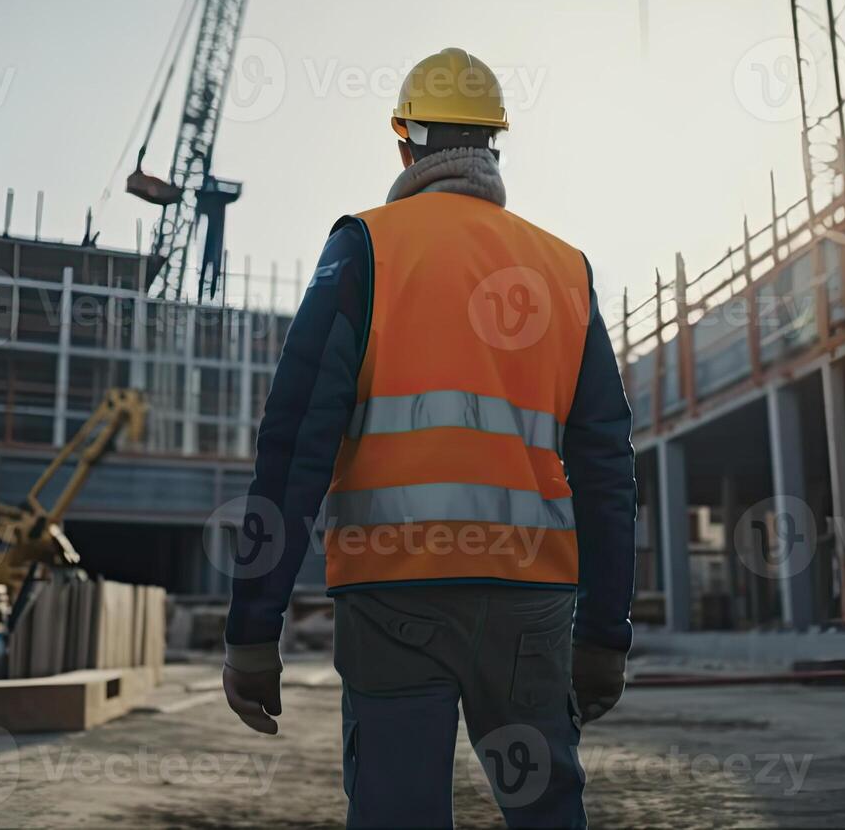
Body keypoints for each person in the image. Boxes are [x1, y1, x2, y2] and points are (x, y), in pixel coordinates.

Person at [221, 47, 637, 828]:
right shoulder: (565, 269)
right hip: (528, 603)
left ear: (405, 142)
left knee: (397, 813)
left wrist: (253, 626)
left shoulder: (365, 247)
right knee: (546, 810)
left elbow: (293, 446)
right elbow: (607, 466)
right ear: (493, 147)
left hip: (393, 596)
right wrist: (605, 633)